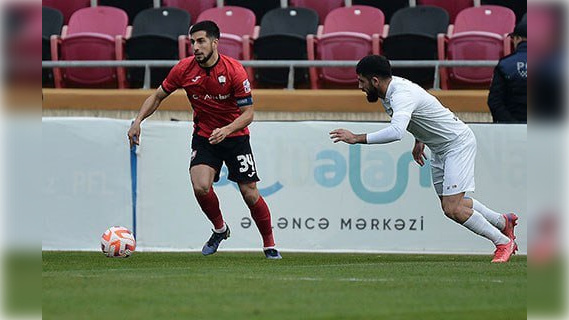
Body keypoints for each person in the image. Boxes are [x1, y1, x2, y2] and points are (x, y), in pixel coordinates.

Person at [330, 55, 518, 263]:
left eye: (361, 81)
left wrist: (356, 138)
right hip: (439, 147)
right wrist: (419, 139)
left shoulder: (401, 94)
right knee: (453, 206)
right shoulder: (388, 93)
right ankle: (503, 221)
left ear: (375, 81)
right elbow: (421, 114)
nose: (359, 86)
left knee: (453, 207)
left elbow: (396, 132)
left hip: (457, 144)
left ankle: (503, 242)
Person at [127, 20, 281, 259]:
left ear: (214, 42)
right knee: (200, 186)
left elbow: (248, 114)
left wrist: (227, 130)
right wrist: (138, 121)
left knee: (250, 193)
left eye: (201, 41)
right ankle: (220, 229)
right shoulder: (183, 69)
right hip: (205, 135)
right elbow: (157, 96)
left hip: (235, 136)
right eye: (192, 42)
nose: (196, 47)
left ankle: (269, 244)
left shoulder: (234, 71)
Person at [487, 18, 527, 123]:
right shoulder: (553, 64)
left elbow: (494, 101)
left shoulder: (505, 65)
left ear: (518, 39)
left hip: (512, 131)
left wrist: (511, 125)